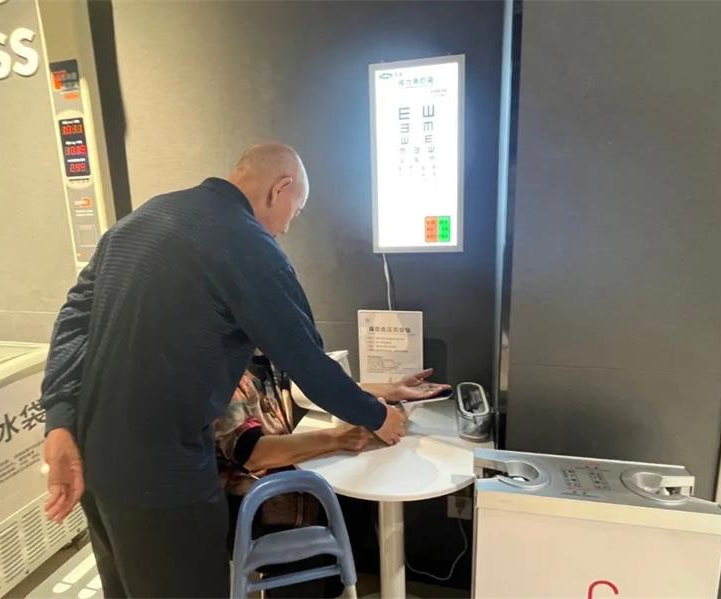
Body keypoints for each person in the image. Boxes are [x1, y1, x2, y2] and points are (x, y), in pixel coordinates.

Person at [38, 143, 408, 598]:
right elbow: (307, 361)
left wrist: (59, 421)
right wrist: (379, 416)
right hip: (166, 474)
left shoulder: (138, 222)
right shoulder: (250, 245)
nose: (287, 226)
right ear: (280, 189)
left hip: (94, 460)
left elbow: (73, 321)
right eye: (296, 212)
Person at [217, 354, 449, 598]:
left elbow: (320, 387)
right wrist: (337, 439)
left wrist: (392, 390)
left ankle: (331, 588)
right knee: (320, 540)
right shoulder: (225, 374)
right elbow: (252, 453)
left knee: (353, 507)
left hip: (288, 484)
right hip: (251, 507)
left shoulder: (270, 361)